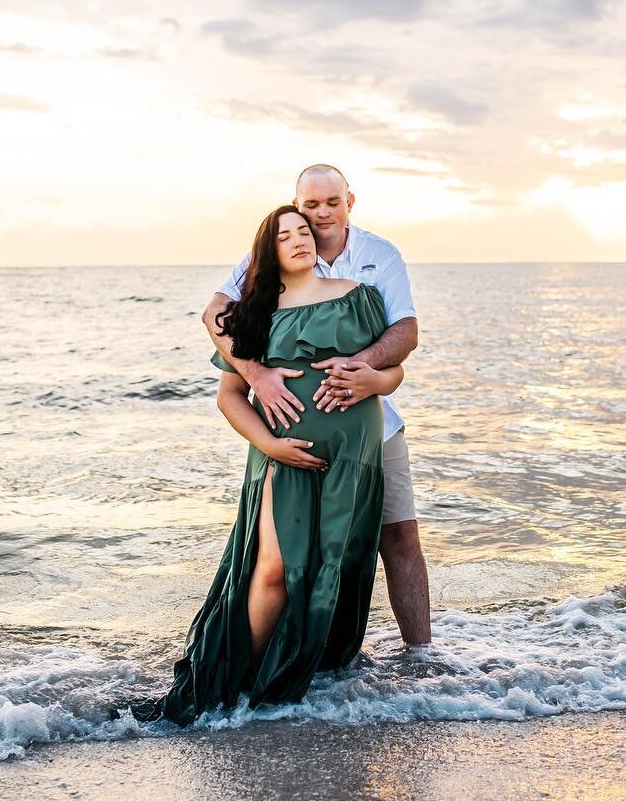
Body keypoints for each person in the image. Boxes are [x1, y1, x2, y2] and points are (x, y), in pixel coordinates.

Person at [151, 204, 403, 724]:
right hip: (281, 456)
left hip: (351, 454)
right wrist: (269, 446)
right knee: (272, 570)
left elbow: (394, 367)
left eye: (305, 231)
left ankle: (297, 681)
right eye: (285, 235)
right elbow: (229, 396)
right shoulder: (256, 314)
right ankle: (243, 682)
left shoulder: (359, 298)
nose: (299, 240)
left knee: (332, 567)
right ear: (267, 250)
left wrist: (376, 381)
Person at [202, 165, 431, 649]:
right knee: (283, 561)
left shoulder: (377, 258)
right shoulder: (268, 260)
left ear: (350, 200)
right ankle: (274, 672)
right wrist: (257, 374)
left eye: (331, 203)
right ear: (295, 204)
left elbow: (405, 334)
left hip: (373, 433)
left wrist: (366, 371)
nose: (320, 215)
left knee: (396, 539)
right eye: (310, 206)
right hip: (289, 447)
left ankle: (420, 657)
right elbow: (216, 315)